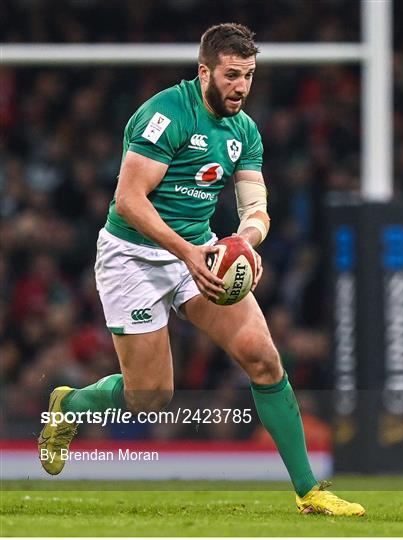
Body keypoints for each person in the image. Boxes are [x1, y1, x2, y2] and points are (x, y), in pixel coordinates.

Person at [38, 23, 364, 516]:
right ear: (204, 71)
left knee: (263, 358)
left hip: (202, 253)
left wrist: (245, 243)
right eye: (232, 75)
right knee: (149, 397)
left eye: (249, 76)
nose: (241, 87)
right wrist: (186, 253)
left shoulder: (245, 130)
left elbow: (256, 207)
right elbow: (128, 201)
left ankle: (309, 492)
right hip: (134, 257)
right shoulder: (166, 113)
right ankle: (69, 405)